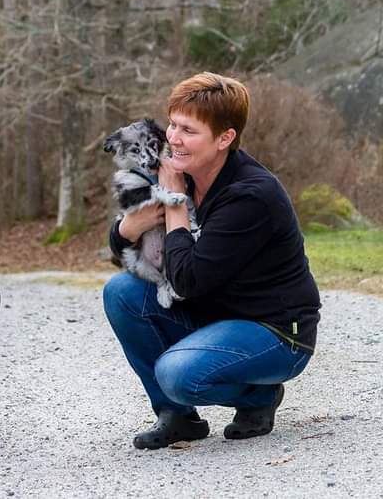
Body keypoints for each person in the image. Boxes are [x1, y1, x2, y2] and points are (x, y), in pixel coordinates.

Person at [103, 72, 320, 449]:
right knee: (122, 291)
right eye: (172, 124)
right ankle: (176, 417)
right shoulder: (181, 175)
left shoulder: (251, 195)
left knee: (178, 374)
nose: (172, 138)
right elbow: (126, 251)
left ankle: (260, 397)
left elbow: (186, 279)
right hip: (217, 313)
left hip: (276, 332)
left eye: (188, 130)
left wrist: (172, 206)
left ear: (225, 138)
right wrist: (128, 228)